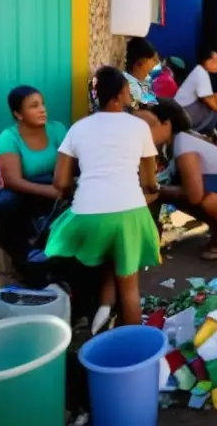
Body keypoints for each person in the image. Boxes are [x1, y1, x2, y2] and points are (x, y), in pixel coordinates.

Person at [44, 66, 161, 331]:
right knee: (129, 286)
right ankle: (132, 348)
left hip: (87, 216)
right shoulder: (139, 126)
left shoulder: (77, 128)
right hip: (129, 214)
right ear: (120, 94)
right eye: (128, 89)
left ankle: (89, 318)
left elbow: (60, 182)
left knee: (95, 260)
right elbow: (149, 181)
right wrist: (152, 189)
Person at [139, 100, 217, 262]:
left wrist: (156, 189)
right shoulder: (168, 143)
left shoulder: (184, 147)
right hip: (213, 182)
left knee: (200, 199)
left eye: (149, 128)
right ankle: (151, 237)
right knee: (157, 191)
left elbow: (193, 195)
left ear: (166, 124)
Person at [0, 86, 67, 264]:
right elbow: (12, 180)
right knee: (5, 203)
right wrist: (50, 191)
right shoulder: (8, 138)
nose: (42, 109)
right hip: (16, 189)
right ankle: (22, 256)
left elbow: (70, 163)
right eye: (34, 106)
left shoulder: (57, 129)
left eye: (43, 104)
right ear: (18, 114)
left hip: (49, 182)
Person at [123, 38, 159, 109]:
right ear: (142, 61)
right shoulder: (131, 87)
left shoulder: (137, 84)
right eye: (154, 60)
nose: (155, 65)